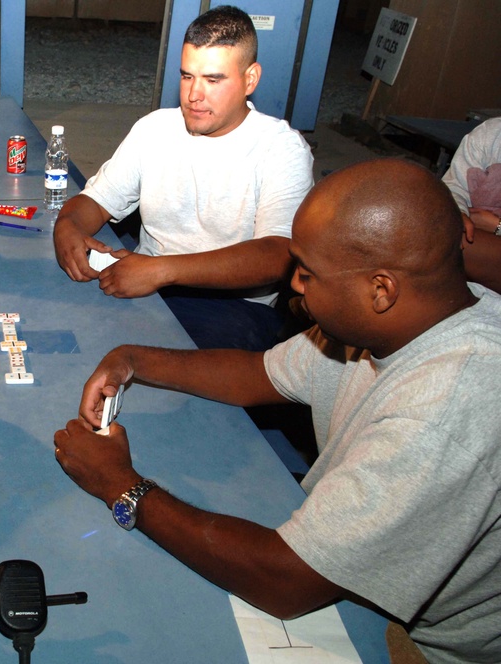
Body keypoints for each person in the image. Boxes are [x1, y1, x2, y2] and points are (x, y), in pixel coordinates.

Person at [54, 158, 501, 663]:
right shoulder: (415, 314)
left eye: (308, 274)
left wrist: (120, 484)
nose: (295, 287)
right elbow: (255, 375)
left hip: (418, 645)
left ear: (381, 290)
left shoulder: (442, 413)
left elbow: (286, 583)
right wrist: (132, 359)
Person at [52, 5, 313, 351]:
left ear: (250, 79)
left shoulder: (281, 149)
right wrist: (67, 225)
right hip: (146, 287)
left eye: (213, 79)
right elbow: (96, 201)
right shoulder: (155, 128)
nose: (194, 95)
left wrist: (163, 270)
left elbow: (277, 255)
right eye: (187, 76)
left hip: (233, 311)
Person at [442, 116, 501, 292]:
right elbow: (455, 185)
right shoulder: (490, 133)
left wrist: (497, 226)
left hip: (489, 235)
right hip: (477, 231)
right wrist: (458, 213)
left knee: (442, 245)